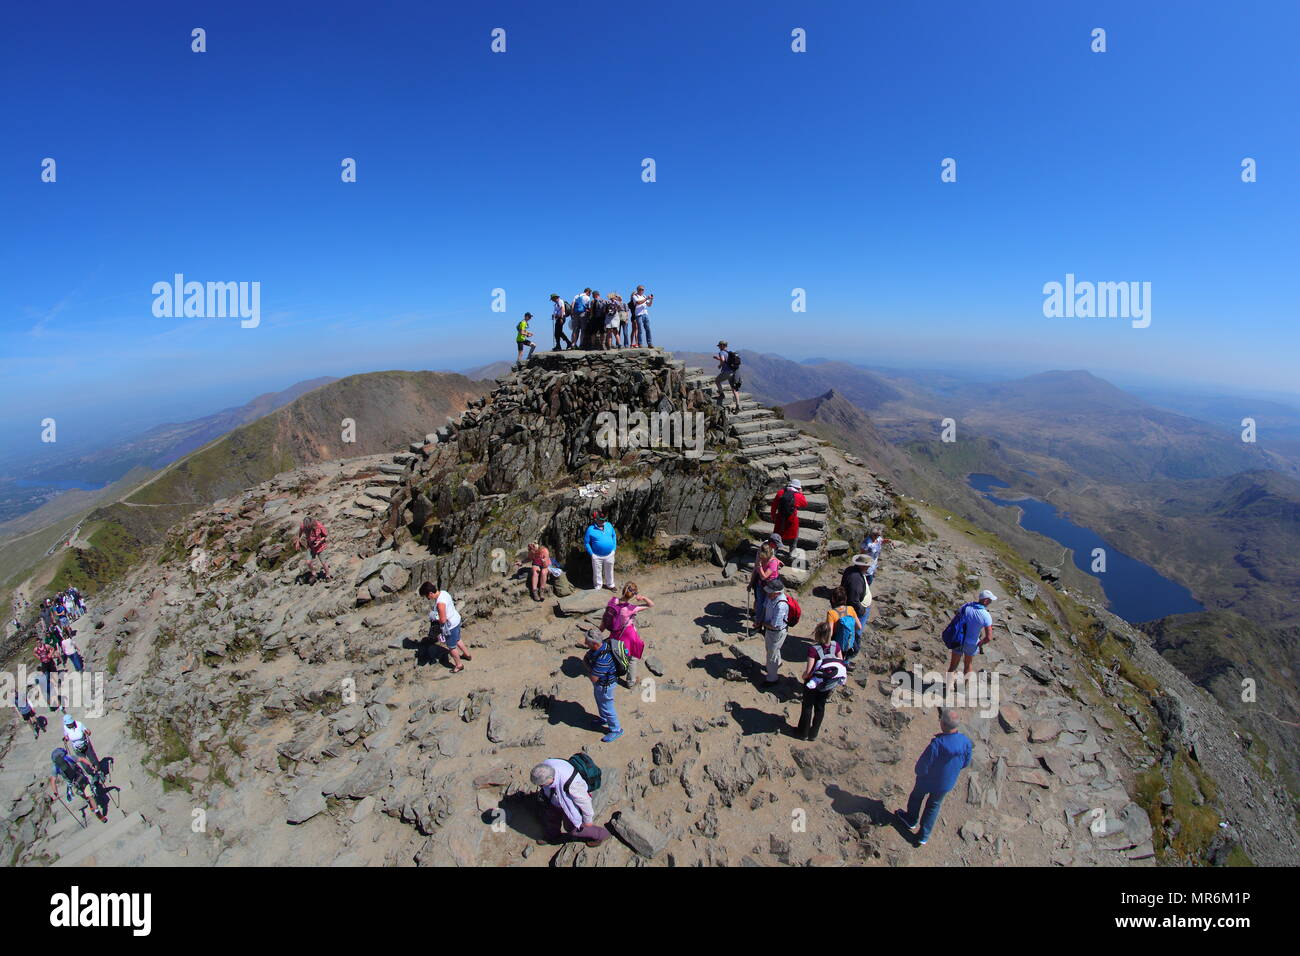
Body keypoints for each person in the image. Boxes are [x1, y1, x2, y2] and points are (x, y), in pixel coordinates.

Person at [897, 709, 973, 846]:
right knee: (934, 806)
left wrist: (920, 773)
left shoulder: (937, 744)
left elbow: (923, 764)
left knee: (916, 797)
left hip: (927, 780)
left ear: (943, 724)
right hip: (946, 783)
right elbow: (966, 762)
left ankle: (911, 819)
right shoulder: (965, 742)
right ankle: (923, 836)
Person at [530, 759, 610, 845]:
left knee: (573, 829)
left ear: (550, 778)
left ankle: (601, 835)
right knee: (551, 817)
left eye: (542, 785)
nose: (540, 787)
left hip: (570, 805)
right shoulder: (546, 766)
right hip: (555, 799)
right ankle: (553, 837)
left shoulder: (573, 784)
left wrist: (587, 820)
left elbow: (585, 802)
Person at [795, 623, 847, 740]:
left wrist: (804, 677)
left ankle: (803, 733)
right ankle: (813, 734)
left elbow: (809, 671)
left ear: (817, 634)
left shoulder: (813, 650)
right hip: (827, 683)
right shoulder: (836, 646)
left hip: (813, 682)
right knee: (820, 706)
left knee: (807, 707)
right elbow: (841, 662)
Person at [945, 590, 996, 694]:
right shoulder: (986, 615)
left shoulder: (966, 606)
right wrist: (981, 643)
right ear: (986, 601)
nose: (990, 603)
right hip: (972, 643)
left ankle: (948, 686)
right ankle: (961, 687)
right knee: (968, 665)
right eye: (990, 601)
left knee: (953, 665)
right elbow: (989, 637)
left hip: (959, 639)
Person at [603, 583, 653, 686]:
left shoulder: (613, 601)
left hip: (615, 634)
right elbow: (651, 604)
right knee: (632, 658)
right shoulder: (631, 608)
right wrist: (643, 597)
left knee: (616, 653)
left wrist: (599, 631)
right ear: (633, 594)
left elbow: (605, 618)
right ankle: (631, 682)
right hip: (628, 635)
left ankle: (612, 672)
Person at [419, 582, 472, 673]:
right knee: (458, 639)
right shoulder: (444, 593)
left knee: (451, 647)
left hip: (450, 626)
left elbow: (443, 620)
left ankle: (459, 665)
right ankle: (467, 655)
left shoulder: (440, 603)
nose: (428, 598)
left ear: (430, 593)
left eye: (427, 596)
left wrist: (434, 618)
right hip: (456, 619)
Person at [582, 631, 623, 742]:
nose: (585, 643)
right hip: (601, 684)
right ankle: (604, 718)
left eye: (587, 642)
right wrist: (589, 665)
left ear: (595, 644)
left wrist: (588, 666)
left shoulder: (603, 658)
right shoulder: (600, 647)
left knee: (607, 707)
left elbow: (593, 678)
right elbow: (586, 658)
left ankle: (616, 729)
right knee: (600, 702)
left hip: (606, 686)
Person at [48, 747, 105, 822]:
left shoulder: (55, 767)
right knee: (90, 796)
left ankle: (90, 803)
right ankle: (98, 813)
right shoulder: (69, 758)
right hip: (82, 779)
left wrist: (55, 792)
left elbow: (53, 780)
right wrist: (91, 765)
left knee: (85, 796)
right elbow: (82, 759)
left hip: (73, 785)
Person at [760, 577, 790, 688]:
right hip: (770, 631)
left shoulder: (781, 605)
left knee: (771, 655)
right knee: (771, 650)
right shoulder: (771, 598)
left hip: (777, 632)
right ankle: (777, 663)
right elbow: (764, 607)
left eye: (770, 592)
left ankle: (772, 679)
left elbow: (775, 625)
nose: (767, 593)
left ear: (776, 593)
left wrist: (761, 624)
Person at [749, 543, 782, 636]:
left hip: (771, 587)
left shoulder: (773, 562)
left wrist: (759, 567)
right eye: (761, 557)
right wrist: (751, 583)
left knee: (767, 607)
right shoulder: (761, 558)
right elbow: (756, 571)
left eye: (763, 558)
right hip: (761, 585)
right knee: (760, 606)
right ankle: (758, 626)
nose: (762, 559)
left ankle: (767, 628)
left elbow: (764, 576)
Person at [826, 587, 862, 667]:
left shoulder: (831, 613)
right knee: (846, 654)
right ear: (845, 598)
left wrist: (826, 646)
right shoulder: (850, 609)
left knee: (837, 659)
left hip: (837, 640)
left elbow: (830, 633)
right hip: (850, 640)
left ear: (833, 599)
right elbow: (859, 626)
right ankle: (846, 662)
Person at [584, 510, 618, 591]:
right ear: (596, 519)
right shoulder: (590, 529)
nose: (603, 521)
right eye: (601, 520)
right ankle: (598, 586)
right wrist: (592, 554)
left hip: (610, 554)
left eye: (604, 520)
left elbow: (614, 536)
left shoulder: (609, 525)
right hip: (597, 555)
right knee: (597, 572)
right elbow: (586, 542)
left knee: (609, 571)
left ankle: (610, 585)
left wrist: (614, 549)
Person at [770, 479, 807, 550]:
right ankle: (792, 550)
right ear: (798, 488)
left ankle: (774, 549)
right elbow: (805, 504)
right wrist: (801, 493)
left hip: (780, 518)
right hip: (792, 519)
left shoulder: (780, 492)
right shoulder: (798, 496)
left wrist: (773, 516)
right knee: (795, 534)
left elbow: (774, 506)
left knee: (777, 534)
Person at [840, 553, 874, 626]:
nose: (869, 566)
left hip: (855, 607)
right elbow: (854, 600)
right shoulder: (856, 579)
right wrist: (862, 611)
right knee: (856, 630)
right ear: (862, 565)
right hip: (859, 609)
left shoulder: (851, 569)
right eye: (867, 565)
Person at [293, 515, 330, 581]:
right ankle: (314, 573)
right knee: (308, 562)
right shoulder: (303, 526)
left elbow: (325, 535)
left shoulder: (318, 525)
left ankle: (327, 575)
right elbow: (300, 534)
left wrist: (319, 541)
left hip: (320, 546)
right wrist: (298, 542)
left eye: (309, 527)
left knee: (324, 563)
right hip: (310, 546)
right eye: (306, 528)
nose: (308, 529)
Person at [713, 340, 742, 411]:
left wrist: (720, 365)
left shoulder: (721, 352)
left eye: (720, 346)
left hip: (727, 372)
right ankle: (738, 405)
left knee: (717, 381)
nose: (719, 347)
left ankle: (722, 394)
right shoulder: (729, 353)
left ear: (723, 346)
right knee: (734, 389)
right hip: (733, 372)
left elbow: (723, 360)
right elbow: (726, 360)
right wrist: (718, 359)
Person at [33, 640, 60, 711]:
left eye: (39, 642)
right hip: (44, 663)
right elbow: (34, 654)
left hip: (49, 661)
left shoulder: (46, 646)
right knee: (50, 694)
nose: (38, 644)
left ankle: (56, 682)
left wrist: (50, 654)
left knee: (54, 672)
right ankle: (54, 705)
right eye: (37, 643)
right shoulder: (36, 649)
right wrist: (39, 658)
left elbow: (53, 648)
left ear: (41, 642)